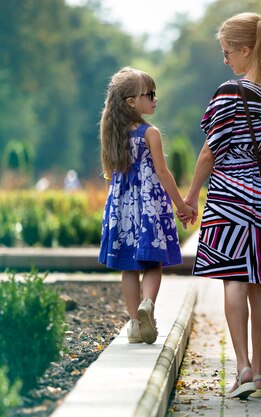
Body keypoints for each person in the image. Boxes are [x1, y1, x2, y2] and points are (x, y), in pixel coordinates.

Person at [178, 12, 261, 400]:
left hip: (228, 202)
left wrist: (190, 197)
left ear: (247, 50)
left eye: (227, 52)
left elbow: (208, 151)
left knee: (233, 280)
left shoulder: (230, 94)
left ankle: (242, 368)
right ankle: (260, 371)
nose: (225, 60)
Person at [98, 67, 196, 345]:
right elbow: (163, 174)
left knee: (129, 266)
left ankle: (134, 324)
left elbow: (110, 173)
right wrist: (181, 206)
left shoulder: (111, 133)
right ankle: (148, 305)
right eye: (150, 94)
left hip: (123, 208)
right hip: (150, 206)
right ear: (132, 102)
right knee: (153, 263)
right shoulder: (150, 133)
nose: (155, 99)